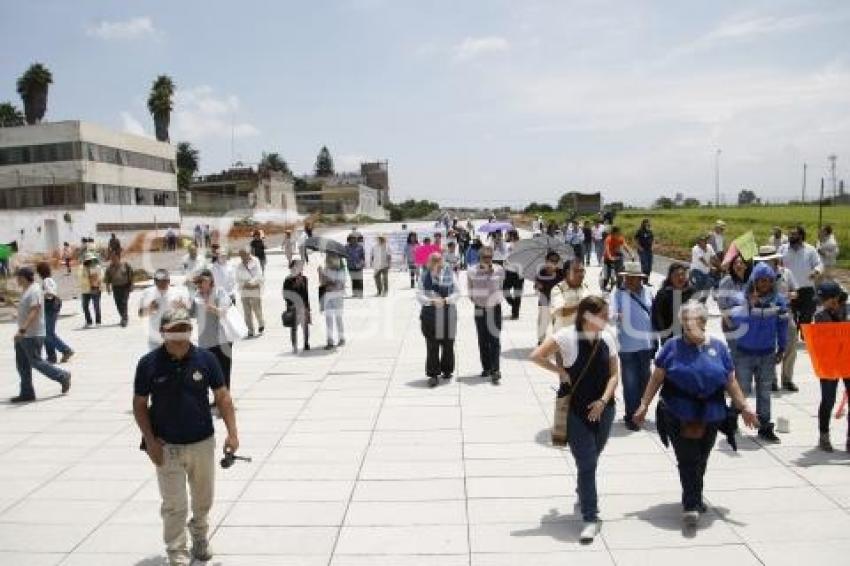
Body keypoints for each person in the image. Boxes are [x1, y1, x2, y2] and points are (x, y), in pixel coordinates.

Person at [634, 301, 758, 528]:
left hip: (710, 412)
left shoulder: (719, 347)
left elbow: (730, 381)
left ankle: (695, 494)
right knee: (687, 458)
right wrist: (643, 404)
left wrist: (745, 407)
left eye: (693, 323)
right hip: (677, 411)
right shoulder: (671, 347)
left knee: (701, 457)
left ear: (703, 322)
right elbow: (656, 378)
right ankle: (691, 504)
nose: (688, 328)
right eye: (685, 323)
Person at [132, 307, 239, 566]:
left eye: (184, 328)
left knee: (204, 498)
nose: (180, 335)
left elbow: (222, 397)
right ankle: (176, 550)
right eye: (174, 329)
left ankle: (199, 536)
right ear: (163, 332)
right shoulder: (148, 364)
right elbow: (139, 404)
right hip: (166, 445)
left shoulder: (206, 359)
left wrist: (232, 434)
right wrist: (149, 441)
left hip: (202, 442)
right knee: (174, 504)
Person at [530, 296, 619, 543]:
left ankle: (583, 490)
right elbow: (536, 355)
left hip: (605, 408)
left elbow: (614, 375)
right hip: (577, 411)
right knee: (587, 461)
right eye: (603, 314)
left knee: (592, 456)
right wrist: (560, 372)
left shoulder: (609, 336)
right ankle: (591, 518)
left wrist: (603, 401)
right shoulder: (567, 336)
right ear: (587, 315)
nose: (607, 318)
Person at [728, 262, 789, 443]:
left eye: (768, 281)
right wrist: (749, 305)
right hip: (745, 353)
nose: (764, 284)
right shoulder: (742, 298)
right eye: (760, 280)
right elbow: (735, 320)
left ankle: (764, 427)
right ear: (754, 281)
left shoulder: (778, 301)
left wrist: (783, 347)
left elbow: (783, 325)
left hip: (767, 353)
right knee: (743, 389)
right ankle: (731, 420)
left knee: (764, 391)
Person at [11, 266, 72, 403]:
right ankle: (27, 392)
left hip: (32, 334)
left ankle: (62, 376)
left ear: (24, 277)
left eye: (18, 277)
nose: (17, 280)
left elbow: (35, 310)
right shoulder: (26, 290)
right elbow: (26, 310)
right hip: (24, 335)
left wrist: (22, 330)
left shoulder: (34, 290)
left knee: (36, 361)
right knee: (22, 364)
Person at [610, 261, 655, 431]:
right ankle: (631, 415)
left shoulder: (649, 292)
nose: (629, 280)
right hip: (627, 346)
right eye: (627, 277)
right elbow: (610, 314)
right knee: (630, 382)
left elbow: (654, 312)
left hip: (646, 344)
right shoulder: (618, 293)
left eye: (633, 278)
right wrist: (617, 315)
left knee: (645, 381)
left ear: (640, 279)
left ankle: (640, 411)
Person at [753, 246, 799, 392]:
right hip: (766, 315)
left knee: (791, 345)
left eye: (769, 260)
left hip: (786, 313)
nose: (766, 263)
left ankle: (787, 379)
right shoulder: (756, 276)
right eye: (763, 260)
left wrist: (792, 294)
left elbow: (795, 290)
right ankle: (771, 379)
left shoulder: (786, 273)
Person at [813, 281, 850, 452]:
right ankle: (824, 435)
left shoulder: (848, 309)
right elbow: (819, 338)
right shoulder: (820, 315)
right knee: (828, 400)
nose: (821, 302)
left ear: (834, 298)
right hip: (829, 361)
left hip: (848, 359)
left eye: (823, 299)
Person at [417, 252, 460, 387]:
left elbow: (458, 292)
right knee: (432, 345)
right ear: (429, 262)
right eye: (433, 260)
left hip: (448, 312)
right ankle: (433, 374)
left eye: (438, 260)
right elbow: (419, 294)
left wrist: (446, 300)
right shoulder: (423, 276)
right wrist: (431, 301)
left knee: (448, 344)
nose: (436, 263)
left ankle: (447, 370)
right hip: (430, 313)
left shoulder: (450, 274)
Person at [189, 269, 234, 391]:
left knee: (224, 371)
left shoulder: (220, 292)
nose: (199, 285)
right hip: (205, 340)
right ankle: (215, 398)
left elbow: (224, 311)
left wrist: (211, 308)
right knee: (209, 372)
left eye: (202, 282)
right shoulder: (197, 295)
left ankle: (225, 399)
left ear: (210, 281)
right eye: (198, 282)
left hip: (222, 340)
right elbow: (191, 313)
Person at [467, 245, 505, 383]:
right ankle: (486, 367)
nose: (488, 260)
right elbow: (470, 290)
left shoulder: (499, 270)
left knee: (494, 339)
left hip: (494, 308)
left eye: (490, 257)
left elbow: (501, 286)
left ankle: (496, 369)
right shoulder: (471, 271)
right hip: (480, 308)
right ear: (480, 258)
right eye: (485, 257)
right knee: (482, 339)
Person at [783, 225, 823, 329]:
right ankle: (793, 342)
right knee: (790, 321)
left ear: (801, 236)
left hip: (807, 290)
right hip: (789, 291)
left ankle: (806, 342)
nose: (790, 236)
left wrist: (815, 271)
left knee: (806, 320)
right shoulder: (782, 249)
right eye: (790, 234)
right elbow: (777, 264)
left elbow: (819, 264)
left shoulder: (810, 250)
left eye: (793, 234)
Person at [139, 269, 190, 351]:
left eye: (164, 281)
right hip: (155, 339)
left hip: (173, 339)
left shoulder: (177, 292)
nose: (161, 283)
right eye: (158, 281)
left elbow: (187, 311)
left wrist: (181, 305)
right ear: (155, 281)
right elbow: (141, 314)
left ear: (168, 281)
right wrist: (149, 309)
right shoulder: (147, 292)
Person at [36, 262, 74, 364]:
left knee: (48, 333)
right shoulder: (49, 280)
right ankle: (51, 357)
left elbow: (50, 293)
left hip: (50, 308)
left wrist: (40, 295)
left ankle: (66, 350)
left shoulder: (47, 281)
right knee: (46, 333)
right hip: (50, 308)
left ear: (40, 272)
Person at [651, 262, 697, 345]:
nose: (680, 277)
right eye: (676, 275)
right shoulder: (663, 293)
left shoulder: (691, 292)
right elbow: (656, 315)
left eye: (683, 274)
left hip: (689, 336)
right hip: (670, 337)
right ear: (670, 277)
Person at [716, 254, 751, 360]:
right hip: (730, 323)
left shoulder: (750, 281)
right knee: (735, 354)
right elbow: (721, 305)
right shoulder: (726, 281)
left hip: (748, 323)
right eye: (735, 263)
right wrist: (729, 323)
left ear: (746, 266)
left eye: (741, 263)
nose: (738, 265)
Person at [550, 261, 589, 332]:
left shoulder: (585, 286)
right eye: (577, 271)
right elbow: (560, 312)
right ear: (567, 273)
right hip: (563, 336)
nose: (581, 274)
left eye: (582, 271)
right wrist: (583, 306)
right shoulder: (558, 289)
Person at [534, 252, 564, 345]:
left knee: (558, 324)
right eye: (550, 260)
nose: (552, 263)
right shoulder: (541, 272)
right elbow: (536, 286)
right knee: (542, 322)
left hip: (557, 302)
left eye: (555, 261)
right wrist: (538, 286)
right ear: (546, 261)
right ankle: (541, 340)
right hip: (545, 301)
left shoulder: (561, 273)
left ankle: (557, 342)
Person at [319, 254, 346, 349]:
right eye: (327, 258)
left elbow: (338, 285)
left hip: (337, 297)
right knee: (328, 320)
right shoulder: (326, 270)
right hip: (327, 297)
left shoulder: (341, 271)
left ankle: (341, 338)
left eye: (330, 258)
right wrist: (320, 274)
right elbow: (322, 284)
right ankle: (330, 341)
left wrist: (328, 281)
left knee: (338, 318)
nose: (328, 260)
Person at [235, 248, 265, 337]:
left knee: (257, 309)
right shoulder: (239, 265)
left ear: (248, 254)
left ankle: (261, 324)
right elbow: (237, 278)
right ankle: (250, 330)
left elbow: (258, 274)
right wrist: (244, 284)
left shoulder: (255, 261)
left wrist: (251, 283)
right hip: (244, 289)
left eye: (244, 255)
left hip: (254, 288)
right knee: (247, 311)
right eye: (241, 256)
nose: (243, 257)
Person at [283, 259, 311, 353]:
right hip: (293, 307)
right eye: (298, 266)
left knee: (305, 326)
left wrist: (308, 307)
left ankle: (306, 343)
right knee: (294, 327)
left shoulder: (304, 279)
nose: (300, 268)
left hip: (303, 306)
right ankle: (294, 345)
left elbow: (306, 294)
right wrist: (291, 305)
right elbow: (285, 295)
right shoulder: (288, 280)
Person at [104, 250, 134, 327]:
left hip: (125, 287)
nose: (113, 259)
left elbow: (131, 275)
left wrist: (131, 285)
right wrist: (108, 288)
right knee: (118, 303)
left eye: (114, 257)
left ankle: (124, 319)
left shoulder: (126, 265)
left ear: (118, 257)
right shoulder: (109, 268)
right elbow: (107, 279)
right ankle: (123, 317)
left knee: (124, 302)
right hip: (115, 287)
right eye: (111, 257)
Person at [601, 226, 632, 292]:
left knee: (620, 272)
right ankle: (604, 286)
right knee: (607, 275)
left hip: (617, 257)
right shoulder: (608, 239)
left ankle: (619, 285)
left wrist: (631, 254)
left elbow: (625, 246)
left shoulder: (620, 238)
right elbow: (607, 249)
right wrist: (610, 257)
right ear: (612, 233)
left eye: (619, 233)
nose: (618, 235)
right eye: (617, 233)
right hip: (608, 258)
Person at [502, 230, 524, 319]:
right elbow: (506, 256)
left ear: (511, 236)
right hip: (509, 272)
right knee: (505, 290)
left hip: (519, 273)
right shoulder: (508, 245)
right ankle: (514, 305)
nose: (505, 236)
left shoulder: (521, 245)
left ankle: (515, 314)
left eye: (507, 235)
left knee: (517, 294)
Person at [78, 252, 104, 327]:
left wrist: (97, 282)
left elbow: (101, 277)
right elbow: (80, 278)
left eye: (90, 260)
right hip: (86, 290)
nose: (89, 262)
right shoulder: (82, 268)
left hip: (95, 288)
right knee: (85, 306)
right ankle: (89, 321)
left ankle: (98, 321)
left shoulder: (97, 267)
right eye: (87, 260)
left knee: (96, 305)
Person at [688, 234, 717, 300]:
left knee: (710, 282)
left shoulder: (709, 246)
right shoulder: (695, 248)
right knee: (699, 283)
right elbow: (702, 259)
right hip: (696, 270)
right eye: (701, 241)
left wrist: (720, 265)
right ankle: (690, 294)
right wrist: (710, 266)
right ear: (698, 242)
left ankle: (703, 299)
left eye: (704, 240)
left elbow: (714, 256)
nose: (703, 242)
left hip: (705, 271)